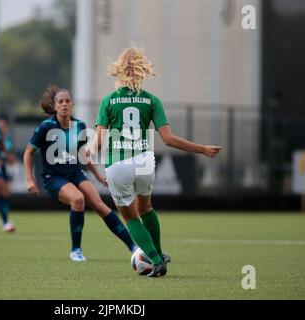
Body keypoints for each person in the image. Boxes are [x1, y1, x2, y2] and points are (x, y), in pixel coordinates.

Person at [92, 47, 223, 277]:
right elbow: (169, 140)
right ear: (143, 70)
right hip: (144, 162)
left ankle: (154, 259)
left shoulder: (109, 101)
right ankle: (159, 254)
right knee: (146, 208)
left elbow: (100, 143)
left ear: (119, 70)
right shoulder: (151, 100)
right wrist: (202, 149)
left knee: (130, 216)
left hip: (118, 164)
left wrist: (87, 150)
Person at [24, 84, 137, 262]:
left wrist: (98, 176)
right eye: (60, 101)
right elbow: (28, 153)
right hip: (53, 177)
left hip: (75, 172)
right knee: (78, 199)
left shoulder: (79, 125)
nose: (64, 104)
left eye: (67, 101)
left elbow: (82, 154)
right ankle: (75, 250)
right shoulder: (45, 127)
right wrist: (30, 179)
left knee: (100, 205)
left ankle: (133, 247)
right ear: (54, 106)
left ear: (72, 104)